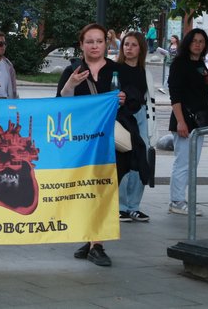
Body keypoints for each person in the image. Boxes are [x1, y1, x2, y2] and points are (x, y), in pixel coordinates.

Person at [57, 23, 144, 267]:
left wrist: (125, 98)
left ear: (106, 44)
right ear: (81, 45)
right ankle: (92, 239)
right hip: (83, 143)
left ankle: (97, 245)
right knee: (87, 191)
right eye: (89, 41)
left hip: (112, 143)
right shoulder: (73, 71)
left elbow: (136, 98)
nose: (95, 46)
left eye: (99, 41)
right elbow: (60, 104)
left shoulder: (118, 70)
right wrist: (71, 85)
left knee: (104, 191)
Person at [167, 28, 208, 216]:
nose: (198, 44)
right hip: (184, 119)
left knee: (191, 162)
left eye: (201, 41)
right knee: (183, 162)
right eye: (194, 41)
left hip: (199, 120)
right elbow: (175, 95)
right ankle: (177, 201)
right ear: (187, 43)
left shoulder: (200, 63)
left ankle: (180, 199)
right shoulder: (180, 64)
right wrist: (180, 121)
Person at [117, 31, 155, 222]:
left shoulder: (145, 72)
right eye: (126, 44)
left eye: (133, 45)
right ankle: (121, 206)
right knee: (123, 158)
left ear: (141, 49)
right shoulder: (116, 68)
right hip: (121, 117)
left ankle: (134, 206)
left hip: (140, 116)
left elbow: (149, 100)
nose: (129, 48)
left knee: (141, 158)